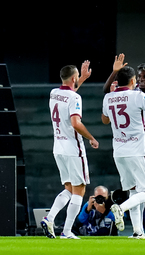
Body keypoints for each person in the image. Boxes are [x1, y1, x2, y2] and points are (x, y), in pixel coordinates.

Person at [101, 64, 145, 239]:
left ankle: (138, 232)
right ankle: (121, 208)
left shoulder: (109, 98)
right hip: (137, 150)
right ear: (133, 80)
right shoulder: (137, 96)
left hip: (118, 151)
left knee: (133, 191)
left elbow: (104, 120)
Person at [41, 61, 99, 239]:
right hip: (74, 148)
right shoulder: (75, 98)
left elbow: (69, 94)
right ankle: (66, 231)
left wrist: (81, 78)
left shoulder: (54, 93)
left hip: (58, 147)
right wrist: (91, 138)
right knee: (79, 190)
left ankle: (50, 218)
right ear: (73, 78)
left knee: (68, 187)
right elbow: (75, 122)